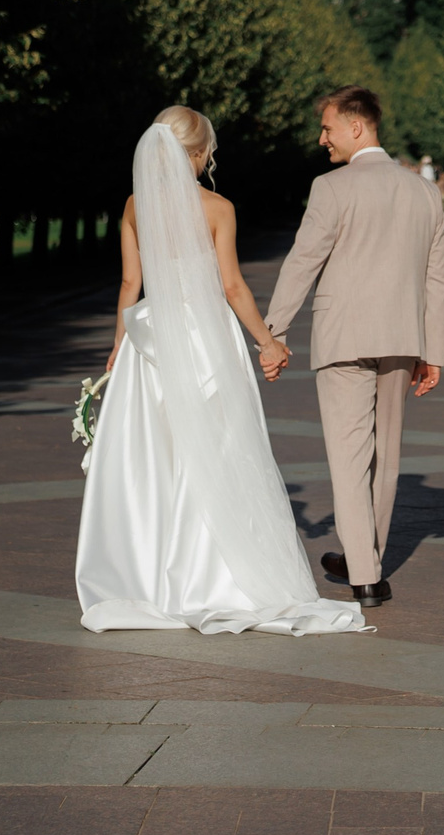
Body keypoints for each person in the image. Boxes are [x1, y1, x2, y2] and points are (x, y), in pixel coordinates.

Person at [72, 105, 368, 637]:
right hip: (205, 340)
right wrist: (269, 343)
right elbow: (231, 287)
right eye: (207, 150)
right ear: (193, 153)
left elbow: (128, 286)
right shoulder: (217, 208)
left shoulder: (136, 206)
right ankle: (212, 571)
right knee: (218, 451)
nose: (210, 157)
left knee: (155, 457)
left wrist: (119, 348)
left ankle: (151, 576)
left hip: (153, 341)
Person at [264, 84, 444, 607]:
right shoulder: (423, 192)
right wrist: (433, 350)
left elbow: (303, 260)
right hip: (401, 340)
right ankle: (362, 558)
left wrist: (273, 331)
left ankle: (365, 576)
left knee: (349, 456)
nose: (321, 139)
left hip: (343, 337)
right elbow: (438, 279)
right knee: (384, 456)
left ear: (356, 126)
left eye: (326, 127)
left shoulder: (331, 187)